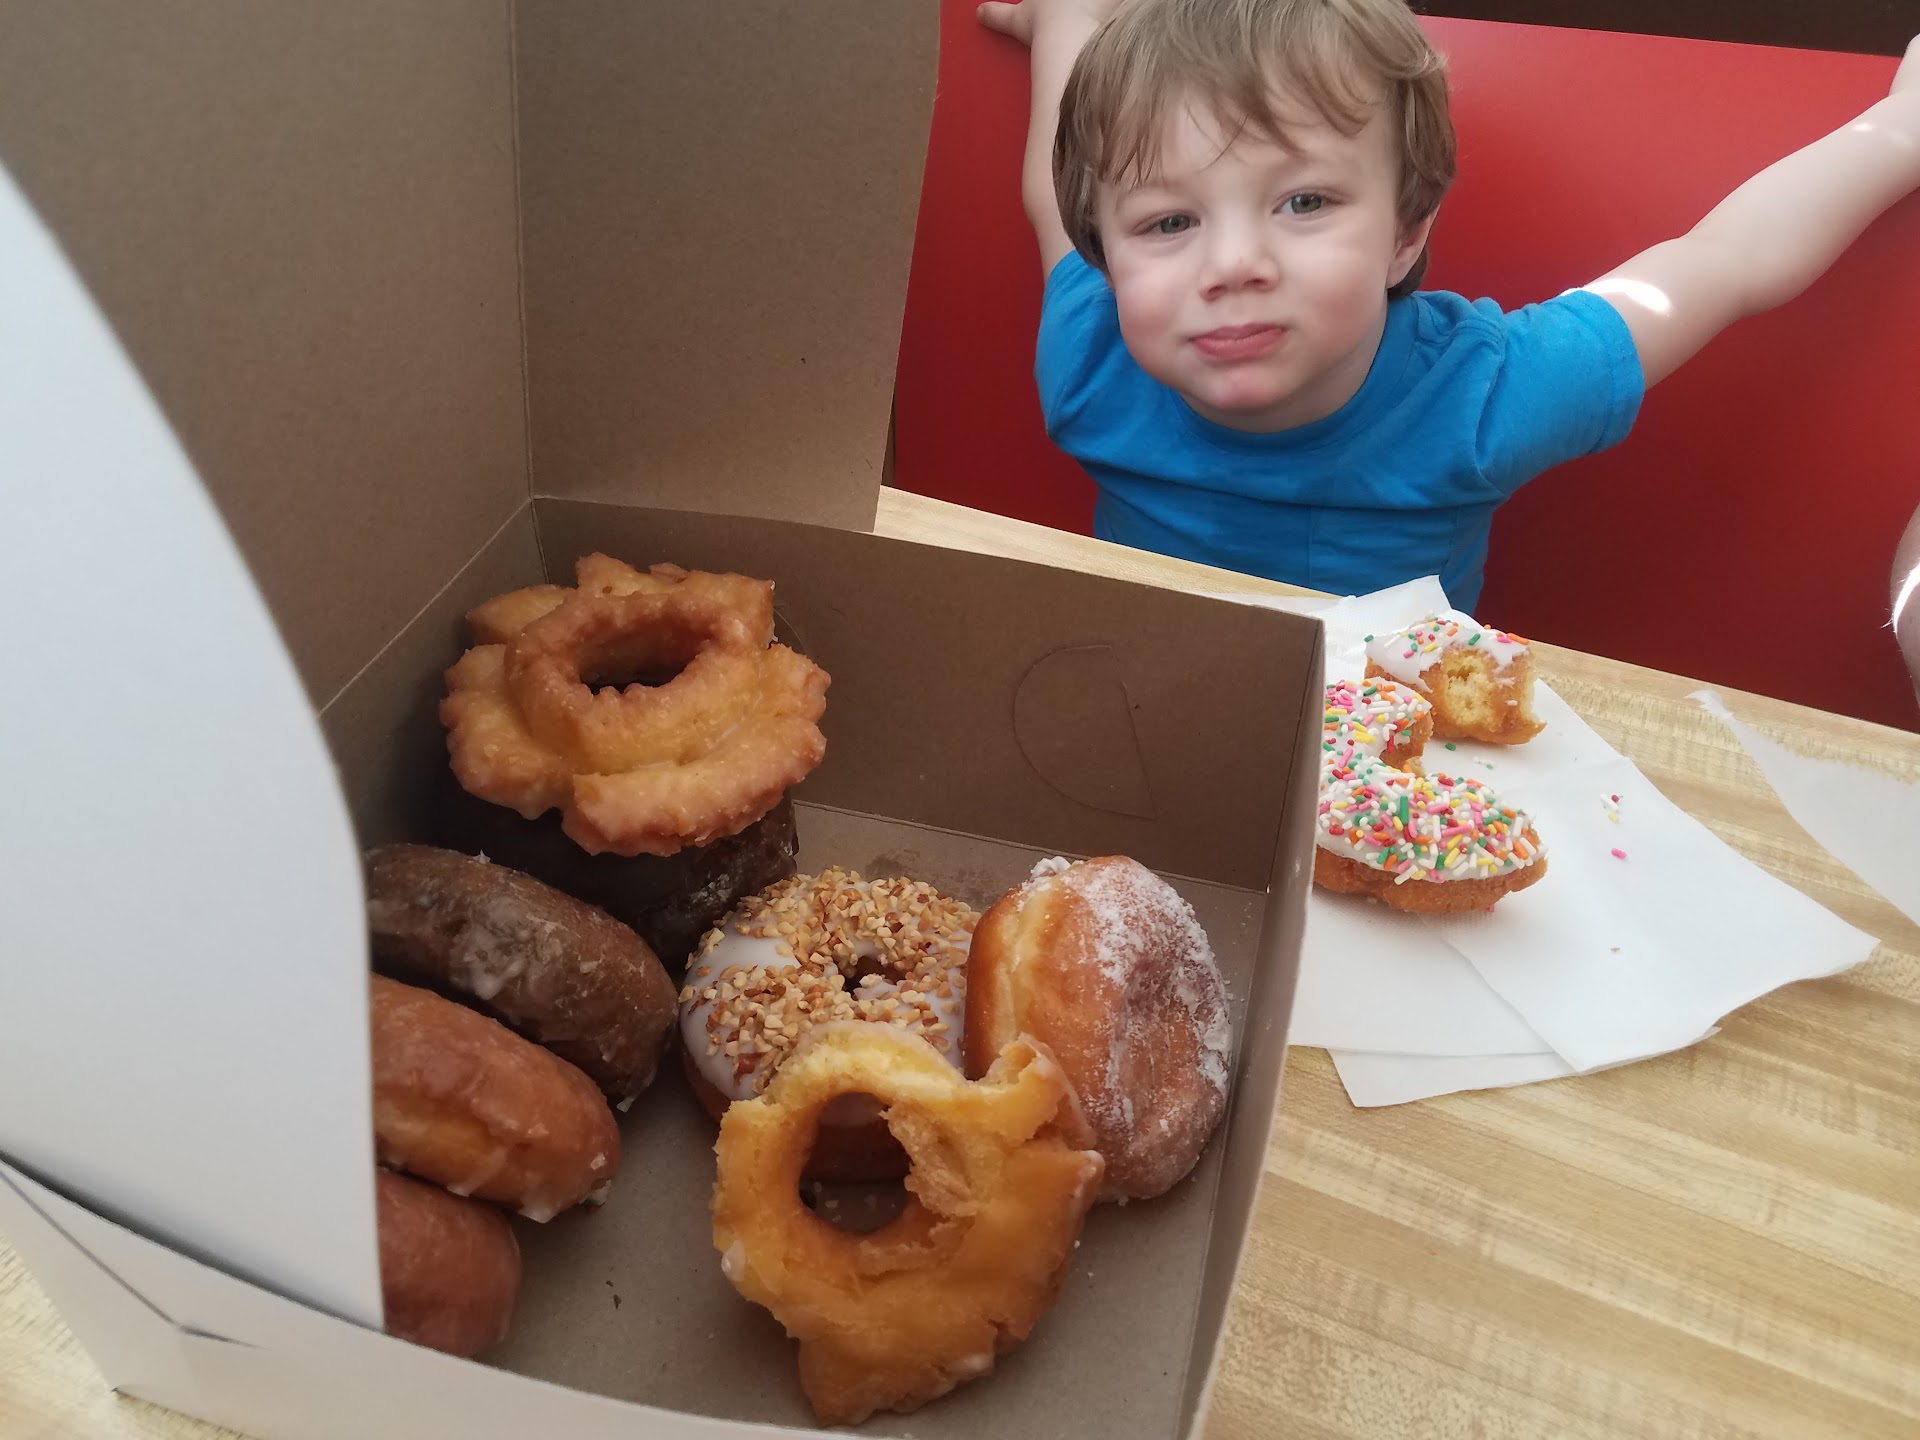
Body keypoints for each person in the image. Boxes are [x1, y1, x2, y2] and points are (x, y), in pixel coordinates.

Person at [980, 0, 1920, 608]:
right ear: (1110, 254)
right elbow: (1053, 194)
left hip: (1403, 780)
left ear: (1405, 231)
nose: (1232, 265)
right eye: (1170, 221)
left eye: (1303, 202)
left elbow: (1726, 260)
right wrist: (1066, 19)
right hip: (1140, 730)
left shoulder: (1484, 394)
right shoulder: (1092, 349)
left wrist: (1902, 128)